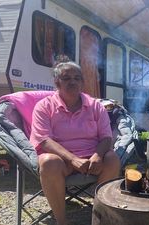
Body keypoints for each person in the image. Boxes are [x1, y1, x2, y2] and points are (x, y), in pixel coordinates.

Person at [30, 60, 120, 225]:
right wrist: (72, 159)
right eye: (66, 78)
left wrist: (98, 155)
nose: (72, 81)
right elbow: (43, 140)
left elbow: (106, 136)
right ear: (57, 82)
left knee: (112, 158)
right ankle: (62, 221)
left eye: (77, 78)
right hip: (61, 160)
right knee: (48, 162)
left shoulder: (95, 106)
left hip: (93, 160)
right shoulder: (44, 106)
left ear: (82, 82)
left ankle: (99, 215)